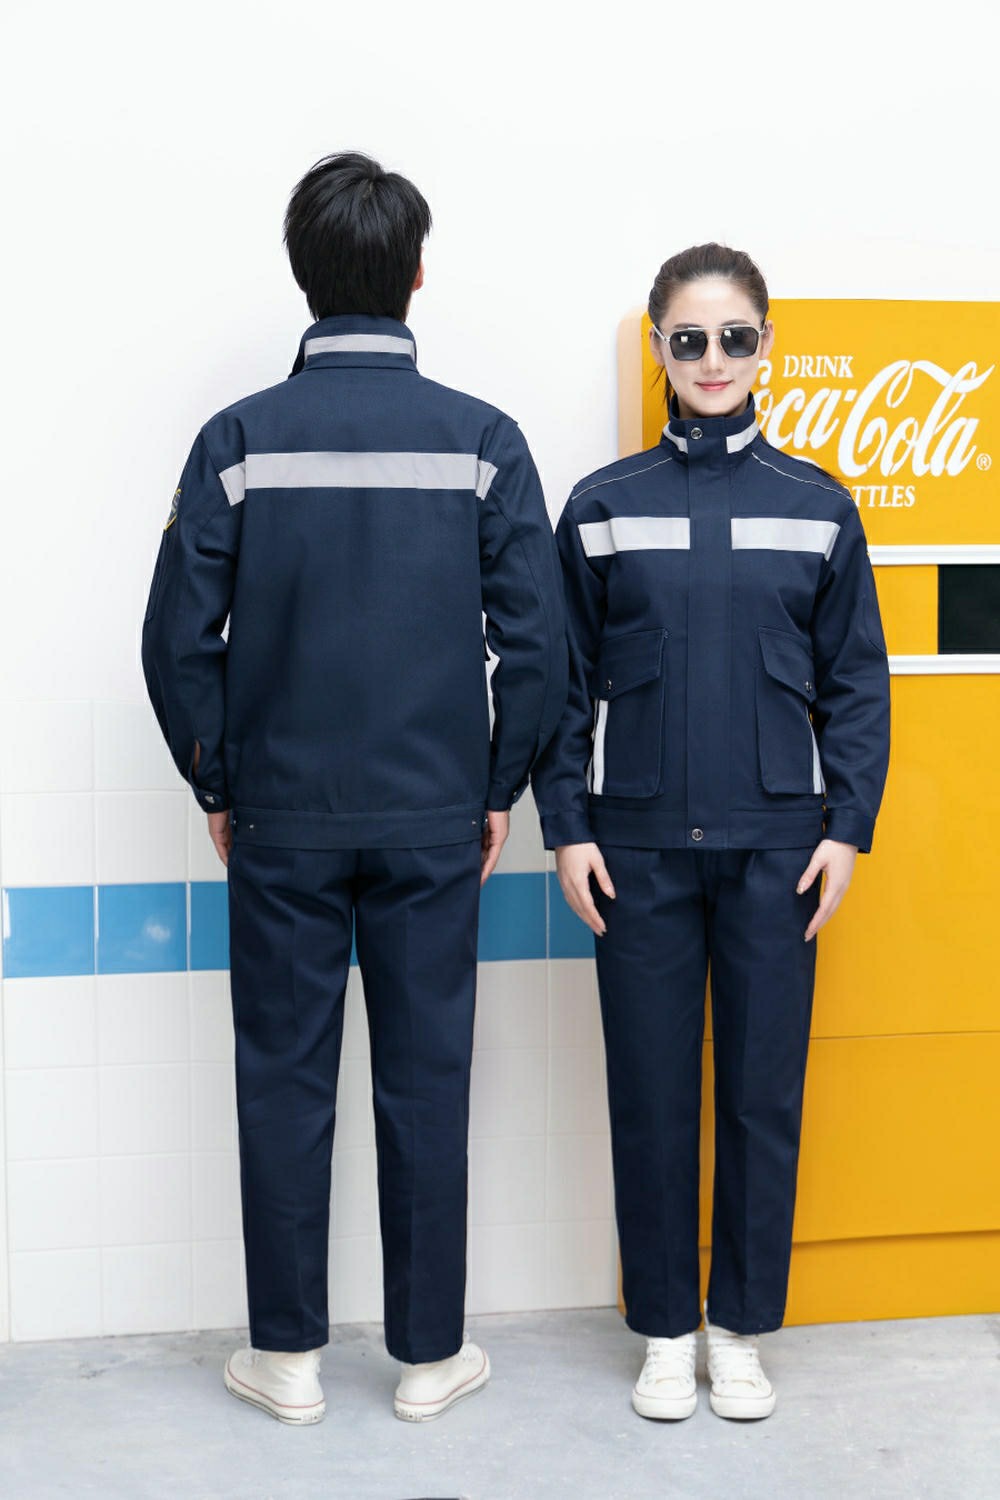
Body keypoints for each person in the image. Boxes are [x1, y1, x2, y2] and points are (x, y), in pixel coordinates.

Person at [142, 151, 567, 1425]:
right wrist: (497, 787)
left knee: (282, 1079)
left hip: (280, 818)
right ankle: (430, 1359)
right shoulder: (483, 441)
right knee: (427, 1082)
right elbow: (538, 646)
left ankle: (285, 1361)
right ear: (417, 276)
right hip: (435, 817)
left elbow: (175, 641)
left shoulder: (238, 440)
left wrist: (219, 780)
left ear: (302, 275)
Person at [532, 243, 890, 1422]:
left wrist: (846, 829)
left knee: (759, 1099)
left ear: (766, 346)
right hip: (633, 851)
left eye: (735, 337)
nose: (713, 359)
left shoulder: (818, 506)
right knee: (649, 1097)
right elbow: (557, 685)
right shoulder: (602, 506)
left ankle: (736, 1331)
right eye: (689, 339)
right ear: (659, 349)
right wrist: (567, 827)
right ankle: (661, 1331)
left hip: (778, 851)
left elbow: (856, 682)